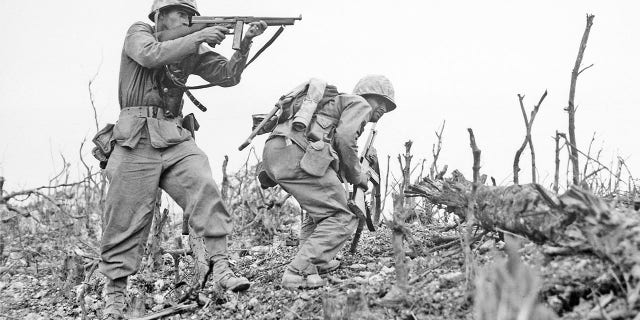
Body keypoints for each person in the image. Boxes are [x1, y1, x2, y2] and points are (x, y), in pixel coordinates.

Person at [96, 0, 267, 318]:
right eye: (182, 14)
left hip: (174, 135)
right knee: (124, 218)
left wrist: (244, 43)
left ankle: (222, 268)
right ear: (159, 16)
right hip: (136, 138)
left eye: (192, 16)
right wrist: (197, 37)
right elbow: (151, 55)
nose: (189, 19)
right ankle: (114, 299)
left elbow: (227, 76)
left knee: (203, 185)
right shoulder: (139, 32)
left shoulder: (192, 47)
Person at [261, 75, 397, 289]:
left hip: (277, 152)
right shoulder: (358, 103)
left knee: (322, 211)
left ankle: (315, 263)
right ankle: (300, 271)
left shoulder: (336, 107)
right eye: (381, 101)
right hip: (295, 152)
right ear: (367, 96)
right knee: (343, 215)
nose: (383, 109)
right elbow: (345, 139)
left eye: (388, 106)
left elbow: (335, 148)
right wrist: (357, 175)